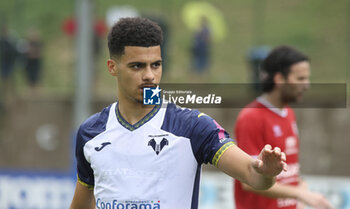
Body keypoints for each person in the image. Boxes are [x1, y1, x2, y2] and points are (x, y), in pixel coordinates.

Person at [69, 17, 287, 209]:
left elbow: (251, 174)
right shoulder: (91, 132)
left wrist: (265, 173)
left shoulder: (192, 126)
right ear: (112, 67)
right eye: (137, 66)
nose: (149, 76)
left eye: (156, 65)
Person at [234, 45, 334, 209]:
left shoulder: (288, 113)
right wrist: (299, 194)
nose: (306, 85)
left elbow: (290, 170)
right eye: (300, 79)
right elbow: (248, 180)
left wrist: (301, 187)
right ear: (280, 79)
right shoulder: (251, 117)